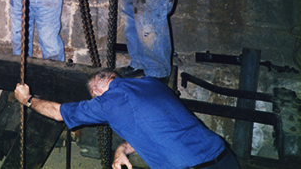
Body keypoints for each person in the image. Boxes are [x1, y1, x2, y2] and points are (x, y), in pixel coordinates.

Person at [14, 69, 240, 169]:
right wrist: (122, 149)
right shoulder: (152, 84)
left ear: (96, 93)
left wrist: (27, 100)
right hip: (225, 157)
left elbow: (57, 112)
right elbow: (155, 128)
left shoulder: (108, 101)